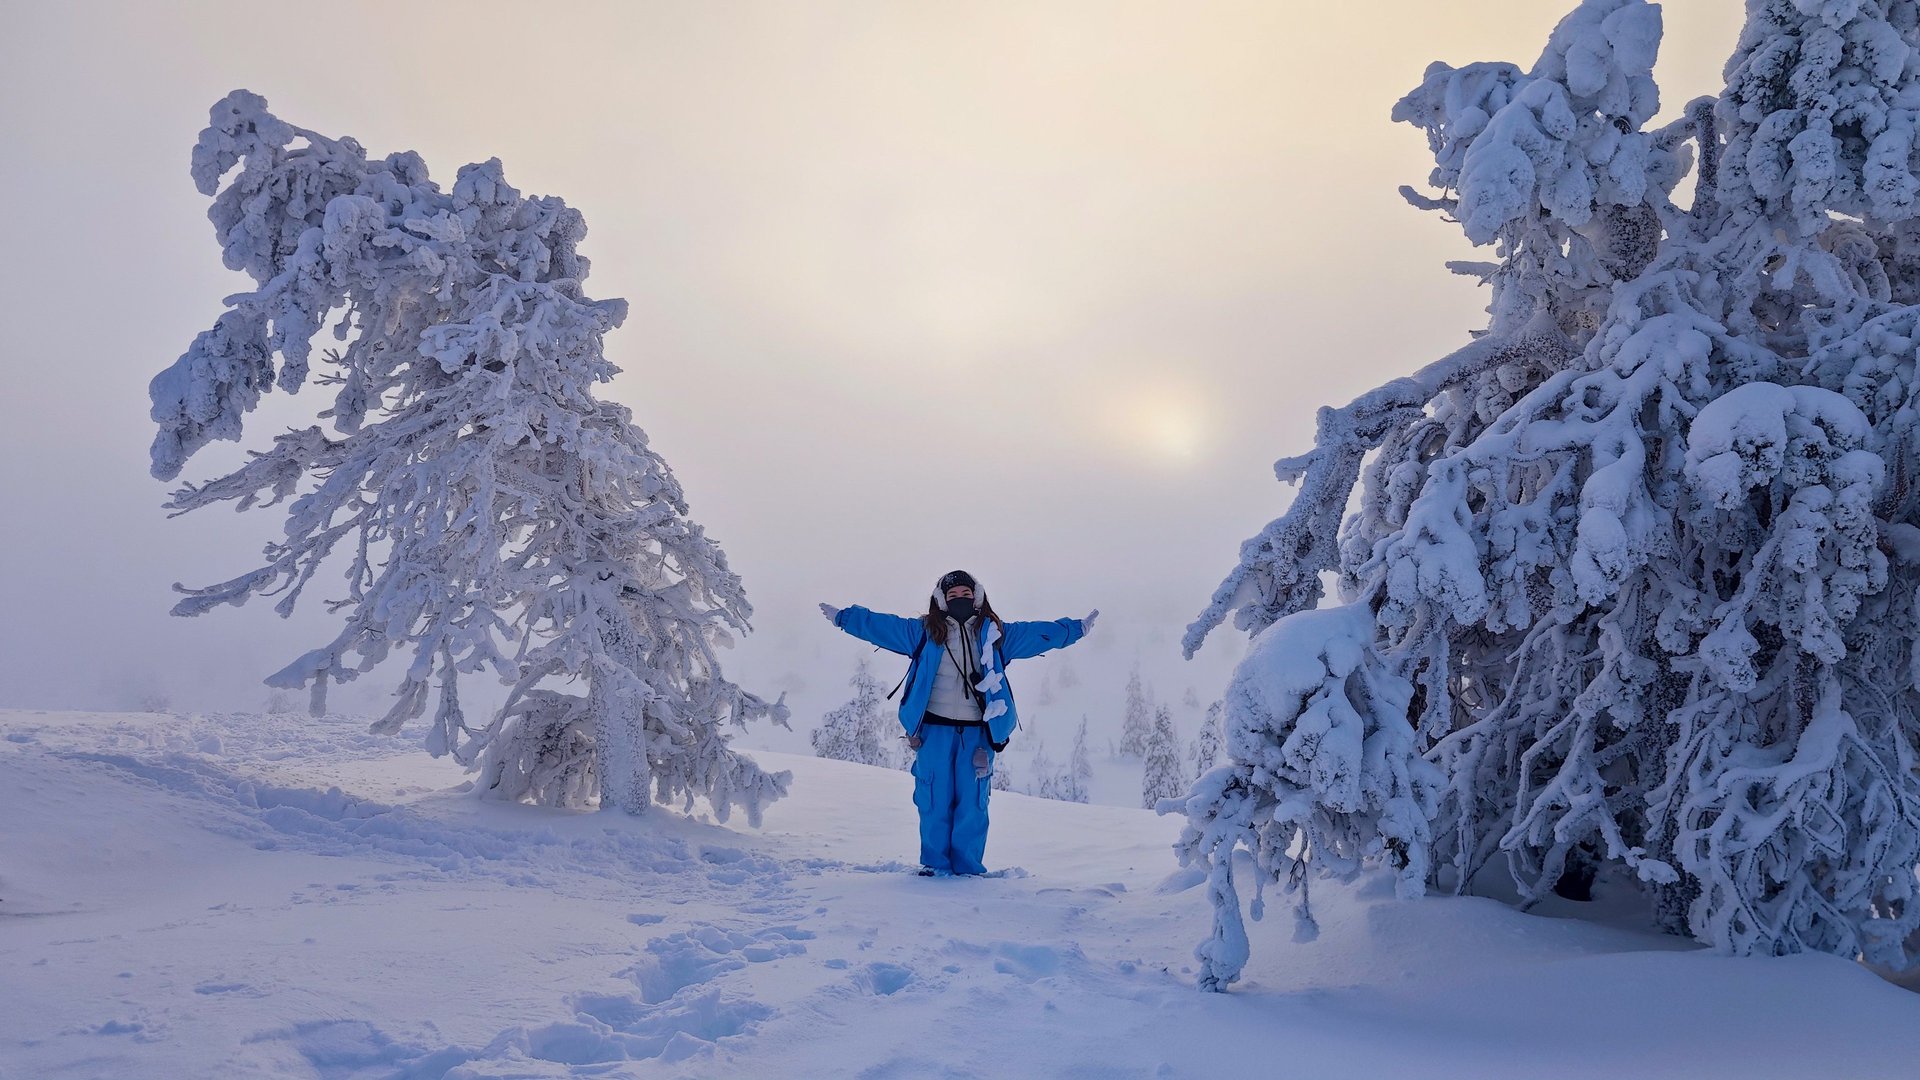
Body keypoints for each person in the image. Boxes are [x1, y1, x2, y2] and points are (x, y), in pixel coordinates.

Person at [820, 571, 1096, 876]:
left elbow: (1040, 634)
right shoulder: (924, 632)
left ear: (976, 596)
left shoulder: (997, 635)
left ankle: (968, 869)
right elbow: (881, 626)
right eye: (952, 596)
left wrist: (1076, 629)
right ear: (941, 600)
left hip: (978, 733)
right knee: (933, 799)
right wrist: (844, 618)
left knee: (973, 803)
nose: (960, 600)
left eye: (966, 594)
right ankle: (935, 866)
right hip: (934, 732)